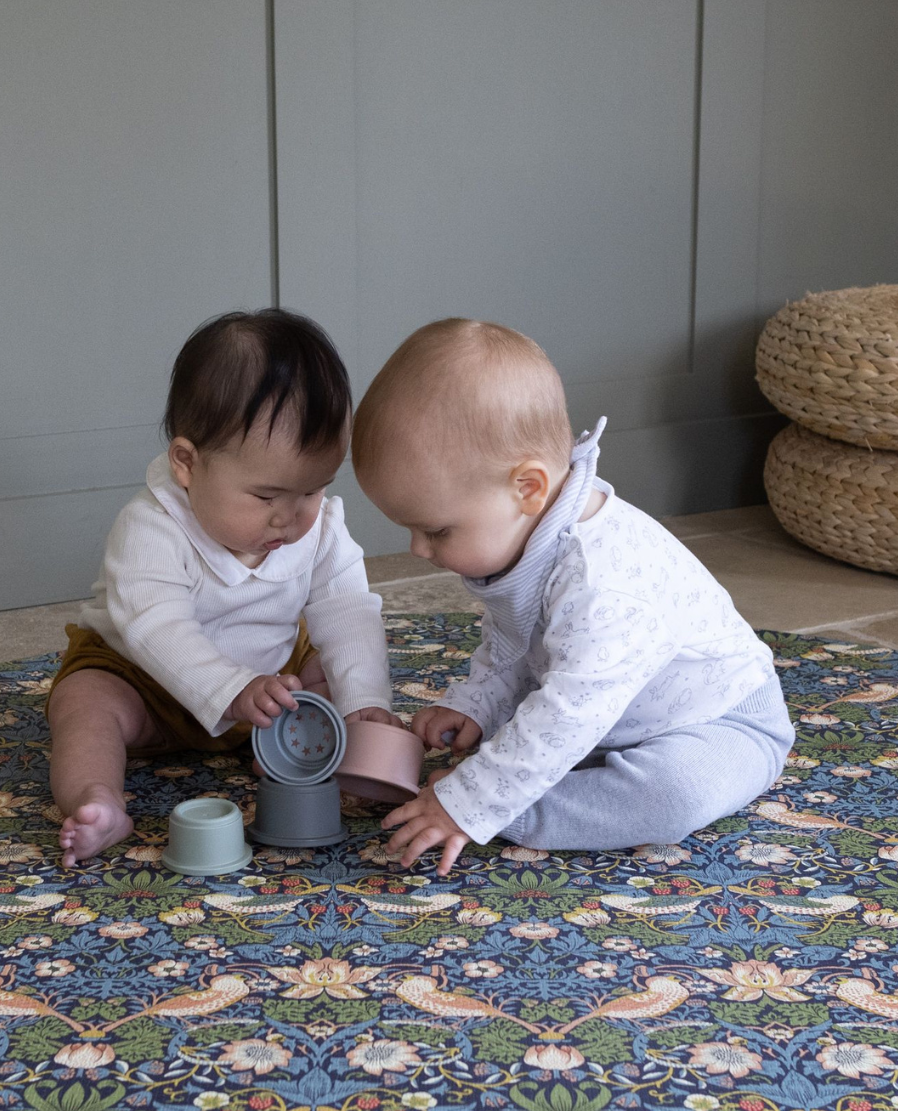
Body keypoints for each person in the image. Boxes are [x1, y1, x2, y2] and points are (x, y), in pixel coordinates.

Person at [350, 318, 793, 872]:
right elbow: (514, 642)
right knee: (549, 721)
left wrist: (472, 802)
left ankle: (523, 811)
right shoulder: (529, 533)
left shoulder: (604, 582)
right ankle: (528, 779)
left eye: (437, 531)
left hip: (717, 722)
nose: (418, 549)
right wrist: (478, 703)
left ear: (528, 488)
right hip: (603, 714)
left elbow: (568, 710)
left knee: (675, 795)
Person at [47, 309, 393, 866]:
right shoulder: (150, 526)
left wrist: (365, 702)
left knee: (332, 673)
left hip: (270, 686)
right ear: (187, 463)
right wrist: (230, 688)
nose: (292, 517)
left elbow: (350, 610)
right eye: (266, 497)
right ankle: (97, 799)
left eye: (313, 490)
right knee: (84, 704)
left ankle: (294, 754)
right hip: (146, 682)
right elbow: (155, 627)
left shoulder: (321, 525)